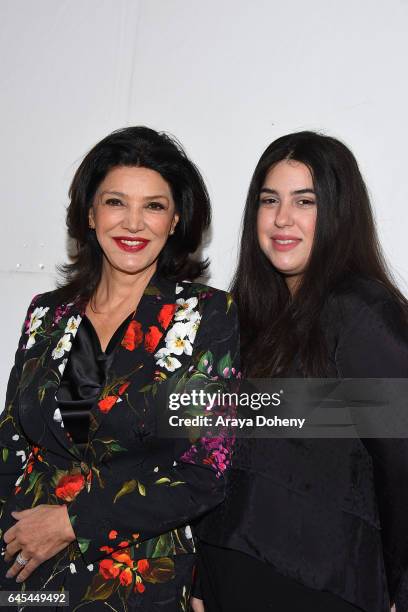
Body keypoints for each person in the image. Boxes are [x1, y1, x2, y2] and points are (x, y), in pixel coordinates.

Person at [0, 126, 239, 611]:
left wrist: (71, 522)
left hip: (135, 580)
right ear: (90, 213)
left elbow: (205, 475)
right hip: (26, 571)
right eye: (115, 202)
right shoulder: (49, 313)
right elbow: (11, 442)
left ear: (175, 220)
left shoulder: (206, 315)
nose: (133, 223)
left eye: (153, 205)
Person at [192, 131, 408, 612]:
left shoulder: (360, 311)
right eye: (270, 200)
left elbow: (402, 462)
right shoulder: (243, 316)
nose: (282, 218)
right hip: (227, 575)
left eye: (304, 201)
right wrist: (201, 580)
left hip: (320, 584)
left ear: (338, 213)